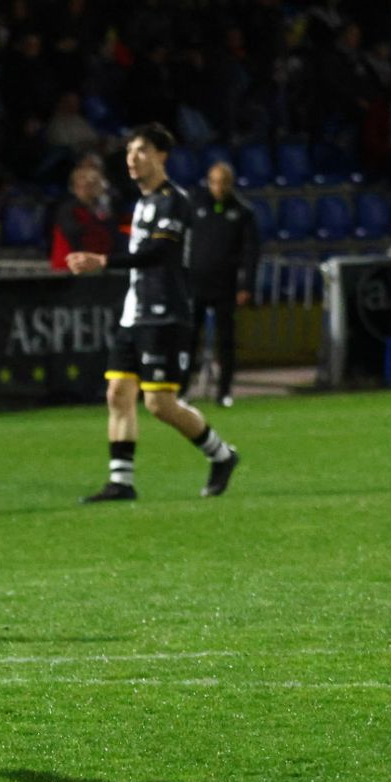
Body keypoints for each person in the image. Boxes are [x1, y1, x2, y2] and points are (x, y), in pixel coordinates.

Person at [66, 123, 240, 502]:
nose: (132, 158)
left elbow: (159, 254)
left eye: (141, 150)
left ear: (162, 156)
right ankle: (121, 482)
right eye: (129, 151)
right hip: (135, 312)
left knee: (159, 404)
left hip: (165, 312)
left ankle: (222, 455)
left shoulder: (174, 201)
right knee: (118, 393)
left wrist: (103, 260)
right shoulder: (143, 203)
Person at [187, 161, 261, 407]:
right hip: (196, 283)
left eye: (223, 182)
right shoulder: (195, 205)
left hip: (226, 286)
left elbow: (251, 253)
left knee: (226, 341)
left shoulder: (242, 212)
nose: (218, 187)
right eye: (214, 182)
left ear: (230, 184)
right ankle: (182, 389)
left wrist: (246, 286)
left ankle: (224, 392)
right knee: (188, 339)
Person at [48, 163, 116, 271]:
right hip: (68, 269)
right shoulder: (67, 210)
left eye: (95, 184)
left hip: (95, 266)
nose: (91, 189)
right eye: (87, 185)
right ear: (76, 187)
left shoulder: (103, 209)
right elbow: (74, 234)